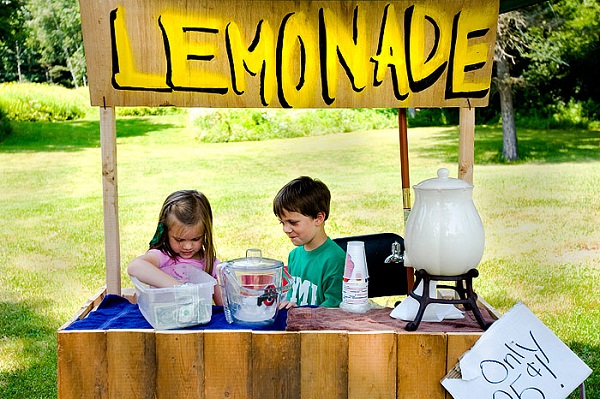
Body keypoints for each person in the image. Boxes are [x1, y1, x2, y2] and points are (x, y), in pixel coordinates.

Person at [127, 189, 222, 305]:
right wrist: (180, 289)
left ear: (205, 233)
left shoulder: (210, 264)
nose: (187, 246)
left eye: (195, 239)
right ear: (166, 232)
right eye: (179, 239)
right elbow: (134, 267)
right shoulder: (163, 256)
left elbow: (223, 309)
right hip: (163, 319)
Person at [273, 176, 345, 308]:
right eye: (282, 222)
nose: (286, 229)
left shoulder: (335, 260)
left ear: (318, 218)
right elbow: (292, 297)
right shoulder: (294, 255)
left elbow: (336, 309)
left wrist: (304, 314)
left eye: (293, 222)